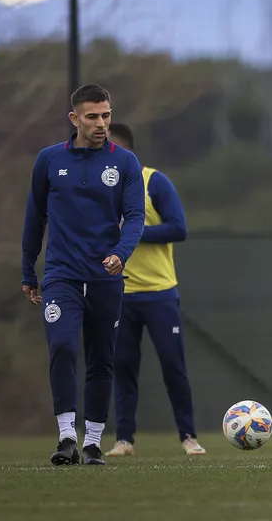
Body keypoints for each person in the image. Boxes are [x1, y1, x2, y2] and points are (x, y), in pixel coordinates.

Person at [21, 84, 145, 466]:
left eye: (106, 115)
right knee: (62, 346)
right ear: (75, 119)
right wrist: (28, 269)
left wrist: (120, 255)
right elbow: (34, 217)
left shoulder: (125, 163)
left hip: (107, 278)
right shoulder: (48, 160)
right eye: (92, 116)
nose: (101, 123)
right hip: (62, 276)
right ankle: (66, 438)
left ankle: (92, 443)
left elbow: (136, 218)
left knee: (101, 359)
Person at [103, 122, 206, 457]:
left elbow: (179, 228)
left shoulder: (153, 182)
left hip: (159, 292)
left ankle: (188, 436)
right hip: (120, 294)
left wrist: (132, 232)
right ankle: (124, 439)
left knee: (173, 365)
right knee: (123, 367)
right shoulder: (100, 189)